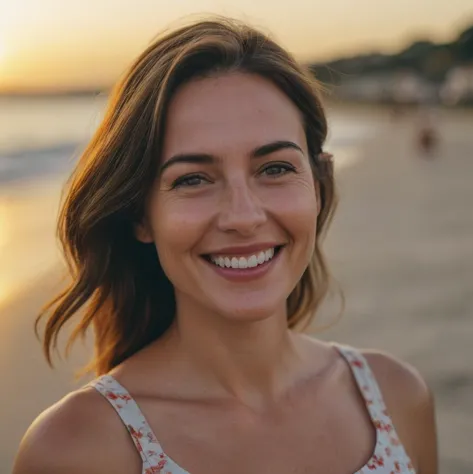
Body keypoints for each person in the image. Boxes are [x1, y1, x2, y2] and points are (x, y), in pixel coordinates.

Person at [13, 17, 438, 474]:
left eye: (274, 168)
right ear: (140, 215)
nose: (244, 216)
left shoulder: (395, 397)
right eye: (193, 179)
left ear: (316, 186)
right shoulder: (77, 449)